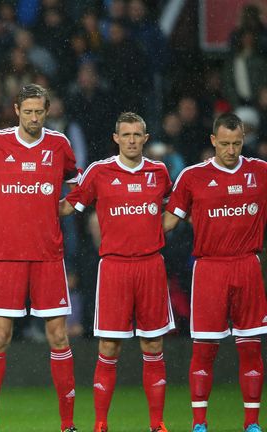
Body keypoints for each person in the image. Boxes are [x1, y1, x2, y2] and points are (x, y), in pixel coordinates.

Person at [0, 84, 80, 432]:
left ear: (47, 111)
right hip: (7, 256)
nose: (34, 117)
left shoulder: (59, 145)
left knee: (58, 337)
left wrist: (63, 208)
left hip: (48, 256)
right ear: (16, 109)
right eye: (28, 111)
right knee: (0, 336)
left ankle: (68, 425)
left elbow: (78, 184)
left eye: (40, 112)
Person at [60, 113, 173, 432]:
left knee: (153, 346)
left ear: (146, 138)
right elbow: (70, 205)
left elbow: (175, 210)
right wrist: (30, 209)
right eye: (127, 134)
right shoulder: (99, 172)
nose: (132, 140)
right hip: (114, 268)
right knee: (109, 347)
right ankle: (100, 424)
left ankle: (157, 424)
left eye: (138, 134)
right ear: (116, 138)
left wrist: (155, 236)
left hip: (151, 266)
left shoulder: (159, 172)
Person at [163, 112, 267, 432]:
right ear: (212, 141)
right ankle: (199, 423)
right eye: (224, 144)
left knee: (250, 346)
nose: (231, 150)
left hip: (248, 265)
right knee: (205, 348)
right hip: (209, 268)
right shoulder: (193, 177)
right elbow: (168, 223)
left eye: (237, 144)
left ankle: (251, 423)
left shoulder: (261, 172)